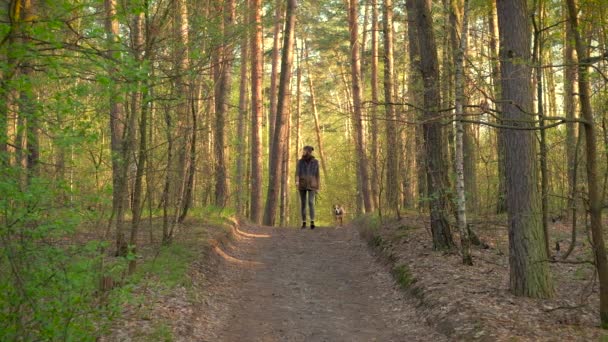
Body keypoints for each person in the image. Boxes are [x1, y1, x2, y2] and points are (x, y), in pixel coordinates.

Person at [295, 145, 320, 229]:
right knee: (303, 203)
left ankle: (312, 221)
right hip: (302, 184)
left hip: (312, 184)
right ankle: (304, 222)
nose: (303, 152)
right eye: (303, 150)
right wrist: (297, 181)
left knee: (311, 202)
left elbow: (317, 175)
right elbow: (297, 173)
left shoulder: (315, 162)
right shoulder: (300, 162)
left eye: (305, 150)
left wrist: (318, 187)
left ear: (309, 151)